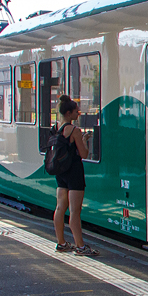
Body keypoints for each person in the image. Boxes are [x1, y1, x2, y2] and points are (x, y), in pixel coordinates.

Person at [52, 94, 97, 256]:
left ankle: (61, 243)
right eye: (76, 112)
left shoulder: (56, 127)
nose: (78, 114)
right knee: (75, 211)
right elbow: (83, 154)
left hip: (61, 173)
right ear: (69, 113)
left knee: (59, 207)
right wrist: (84, 140)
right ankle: (80, 246)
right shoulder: (74, 130)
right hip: (74, 173)